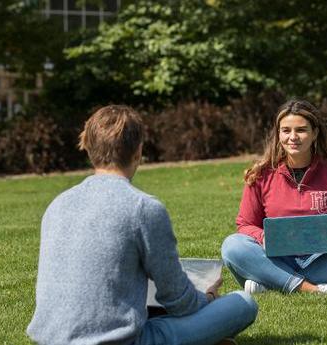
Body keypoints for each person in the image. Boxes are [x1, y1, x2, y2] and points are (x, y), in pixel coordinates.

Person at [27, 105, 258, 345]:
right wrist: (207, 298)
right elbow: (178, 300)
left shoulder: (57, 205)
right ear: (138, 152)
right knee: (243, 303)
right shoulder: (143, 208)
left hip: (52, 339)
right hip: (121, 340)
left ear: (88, 149)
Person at [221, 99, 327, 294]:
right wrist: (264, 237)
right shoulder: (261, 174)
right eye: (286, 130)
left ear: (315, 133)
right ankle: (317, 288)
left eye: (301, 130)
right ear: (278, 134)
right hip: (275, 257)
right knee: (232, 246)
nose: (293, 137)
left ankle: (273, 282)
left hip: (323, 257)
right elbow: (245, 224)